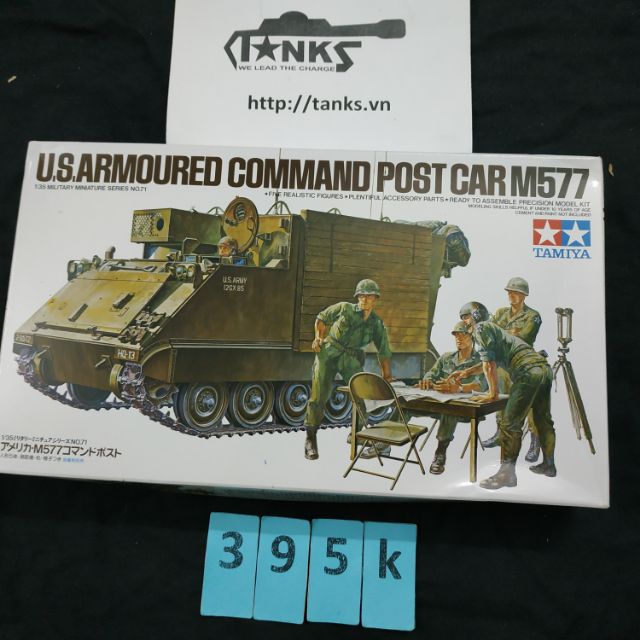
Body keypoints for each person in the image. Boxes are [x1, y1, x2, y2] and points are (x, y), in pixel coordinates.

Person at [449, 302, 556, 490]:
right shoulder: (494, 329)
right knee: (543, 420)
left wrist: (492, 394)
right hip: (542, 369)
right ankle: (549, 465)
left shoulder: (481, 329)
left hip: (527, 372)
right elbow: (491, 361)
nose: (464, 323)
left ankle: (507, 475)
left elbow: (489, 364)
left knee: (509, 424)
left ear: (476, 316)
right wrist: (466, 372)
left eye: (466, 317)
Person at [303, 279, 392, 461]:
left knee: (362, 396)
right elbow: (321, 318)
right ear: (357, 297)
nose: (364, 299)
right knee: (318, 396)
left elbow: (383, 351)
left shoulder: (376, 323)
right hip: (329, 352)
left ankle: (356, 434)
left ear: (375, 299)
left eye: (369, 296)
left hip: (350, 358)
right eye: (361, 296)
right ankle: (310, 439)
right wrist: (318, 337)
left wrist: (387, 375)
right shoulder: (344, 308)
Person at [484, 277, 543, 463]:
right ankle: (500, 434)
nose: (511, 295)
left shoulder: (532, 316)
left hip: (523, 363)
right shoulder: (501, 313)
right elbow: (489, 334)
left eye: (516, 292)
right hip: (503, 365)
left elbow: (524, 338)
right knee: (501, 397)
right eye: (509, 292)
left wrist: (502, 334)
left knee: (529, 404)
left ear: (524, 295)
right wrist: (509, 333)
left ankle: (535, 442)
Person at [417, 321, 486, 474]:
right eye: (456, 336)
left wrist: (459, 388)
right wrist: (427, 380)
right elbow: (431, 374)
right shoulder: (446, 358)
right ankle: (384, 442)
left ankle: (440, 453)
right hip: (438, 404)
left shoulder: (480, 361)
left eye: (463, 335)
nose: (459, 339)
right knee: (405, 404)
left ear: (472, 337)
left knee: (450, 410)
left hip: (465, 409)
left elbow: (481, 386)